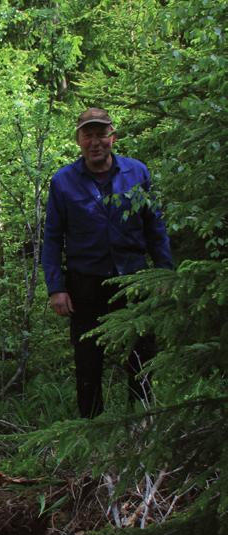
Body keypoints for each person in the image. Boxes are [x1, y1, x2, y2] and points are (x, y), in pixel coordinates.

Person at [41, 107, 173, 418]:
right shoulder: (63, 182)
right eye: (89, 134)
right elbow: (51, 238)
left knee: (142, 351)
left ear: (112, 137)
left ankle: (141, 419)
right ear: (79, 140)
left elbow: (156, 228)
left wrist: (164, 273)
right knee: (88, 358)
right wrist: (56, 288)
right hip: (86, 282)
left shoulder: (137, 173)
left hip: (133, 278)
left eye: (101, 133)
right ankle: (92, 426)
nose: (95, 141)